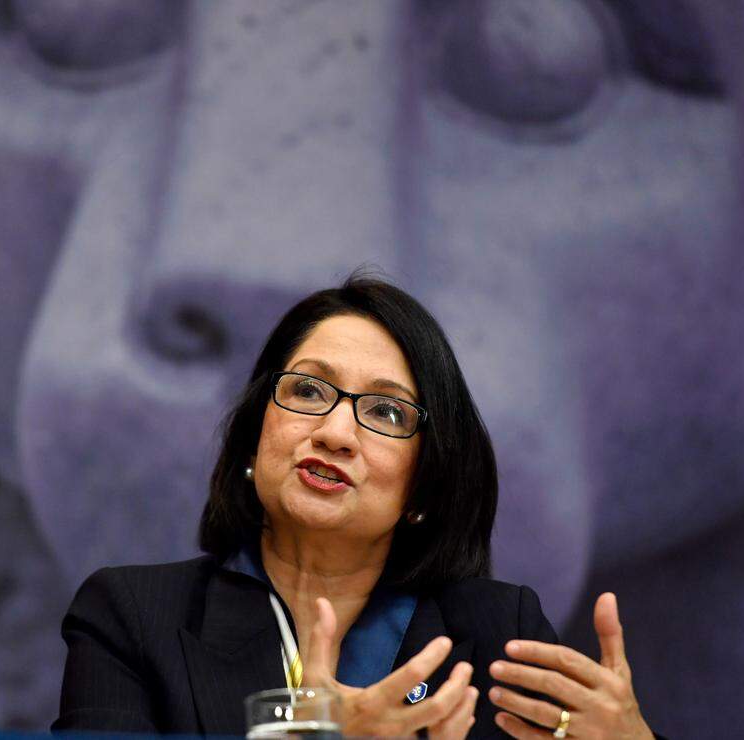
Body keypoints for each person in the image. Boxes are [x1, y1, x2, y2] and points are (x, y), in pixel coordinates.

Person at [53, 276, 655, 739]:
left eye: (387, 412)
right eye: (308, 390)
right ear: (255, 434)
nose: (337, 431)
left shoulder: (498, 632)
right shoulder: (132, 618)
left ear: (423, 486)